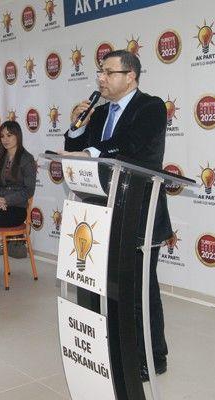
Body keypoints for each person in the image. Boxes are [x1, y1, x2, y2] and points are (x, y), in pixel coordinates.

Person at [61, 49, 170, 381]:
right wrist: (77, 128)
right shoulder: (99, 113)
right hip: (99, 213)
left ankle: (151, 356)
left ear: (130, 76)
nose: (101, 78)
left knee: (139, 289)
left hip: (138, 213)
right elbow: (77, 148)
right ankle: (110, 349)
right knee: (104, 286)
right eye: (100, 72)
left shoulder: (150, 107)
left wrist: (91, 151)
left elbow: (131, 145)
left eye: (109, 72)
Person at [0, 121, 36, 229]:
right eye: (2, 136)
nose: (5, 139)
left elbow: (29, 190)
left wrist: (6, 200)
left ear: (17, 136)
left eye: (9, 135)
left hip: (17, 208)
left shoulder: (27, 159)